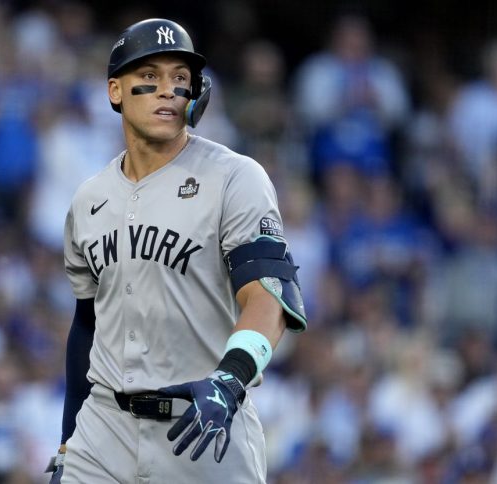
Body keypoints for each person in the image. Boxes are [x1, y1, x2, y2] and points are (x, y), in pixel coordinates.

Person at [47, 18, 307, 483]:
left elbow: (269, 296)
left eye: (180, 79)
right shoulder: (89, 199)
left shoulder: (235, 178)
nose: (167, 89)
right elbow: (86, 325)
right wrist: (69, 442)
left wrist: (231, 378)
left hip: (206, 428)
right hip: (105, 432)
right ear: (115, 91)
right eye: (149, 77)